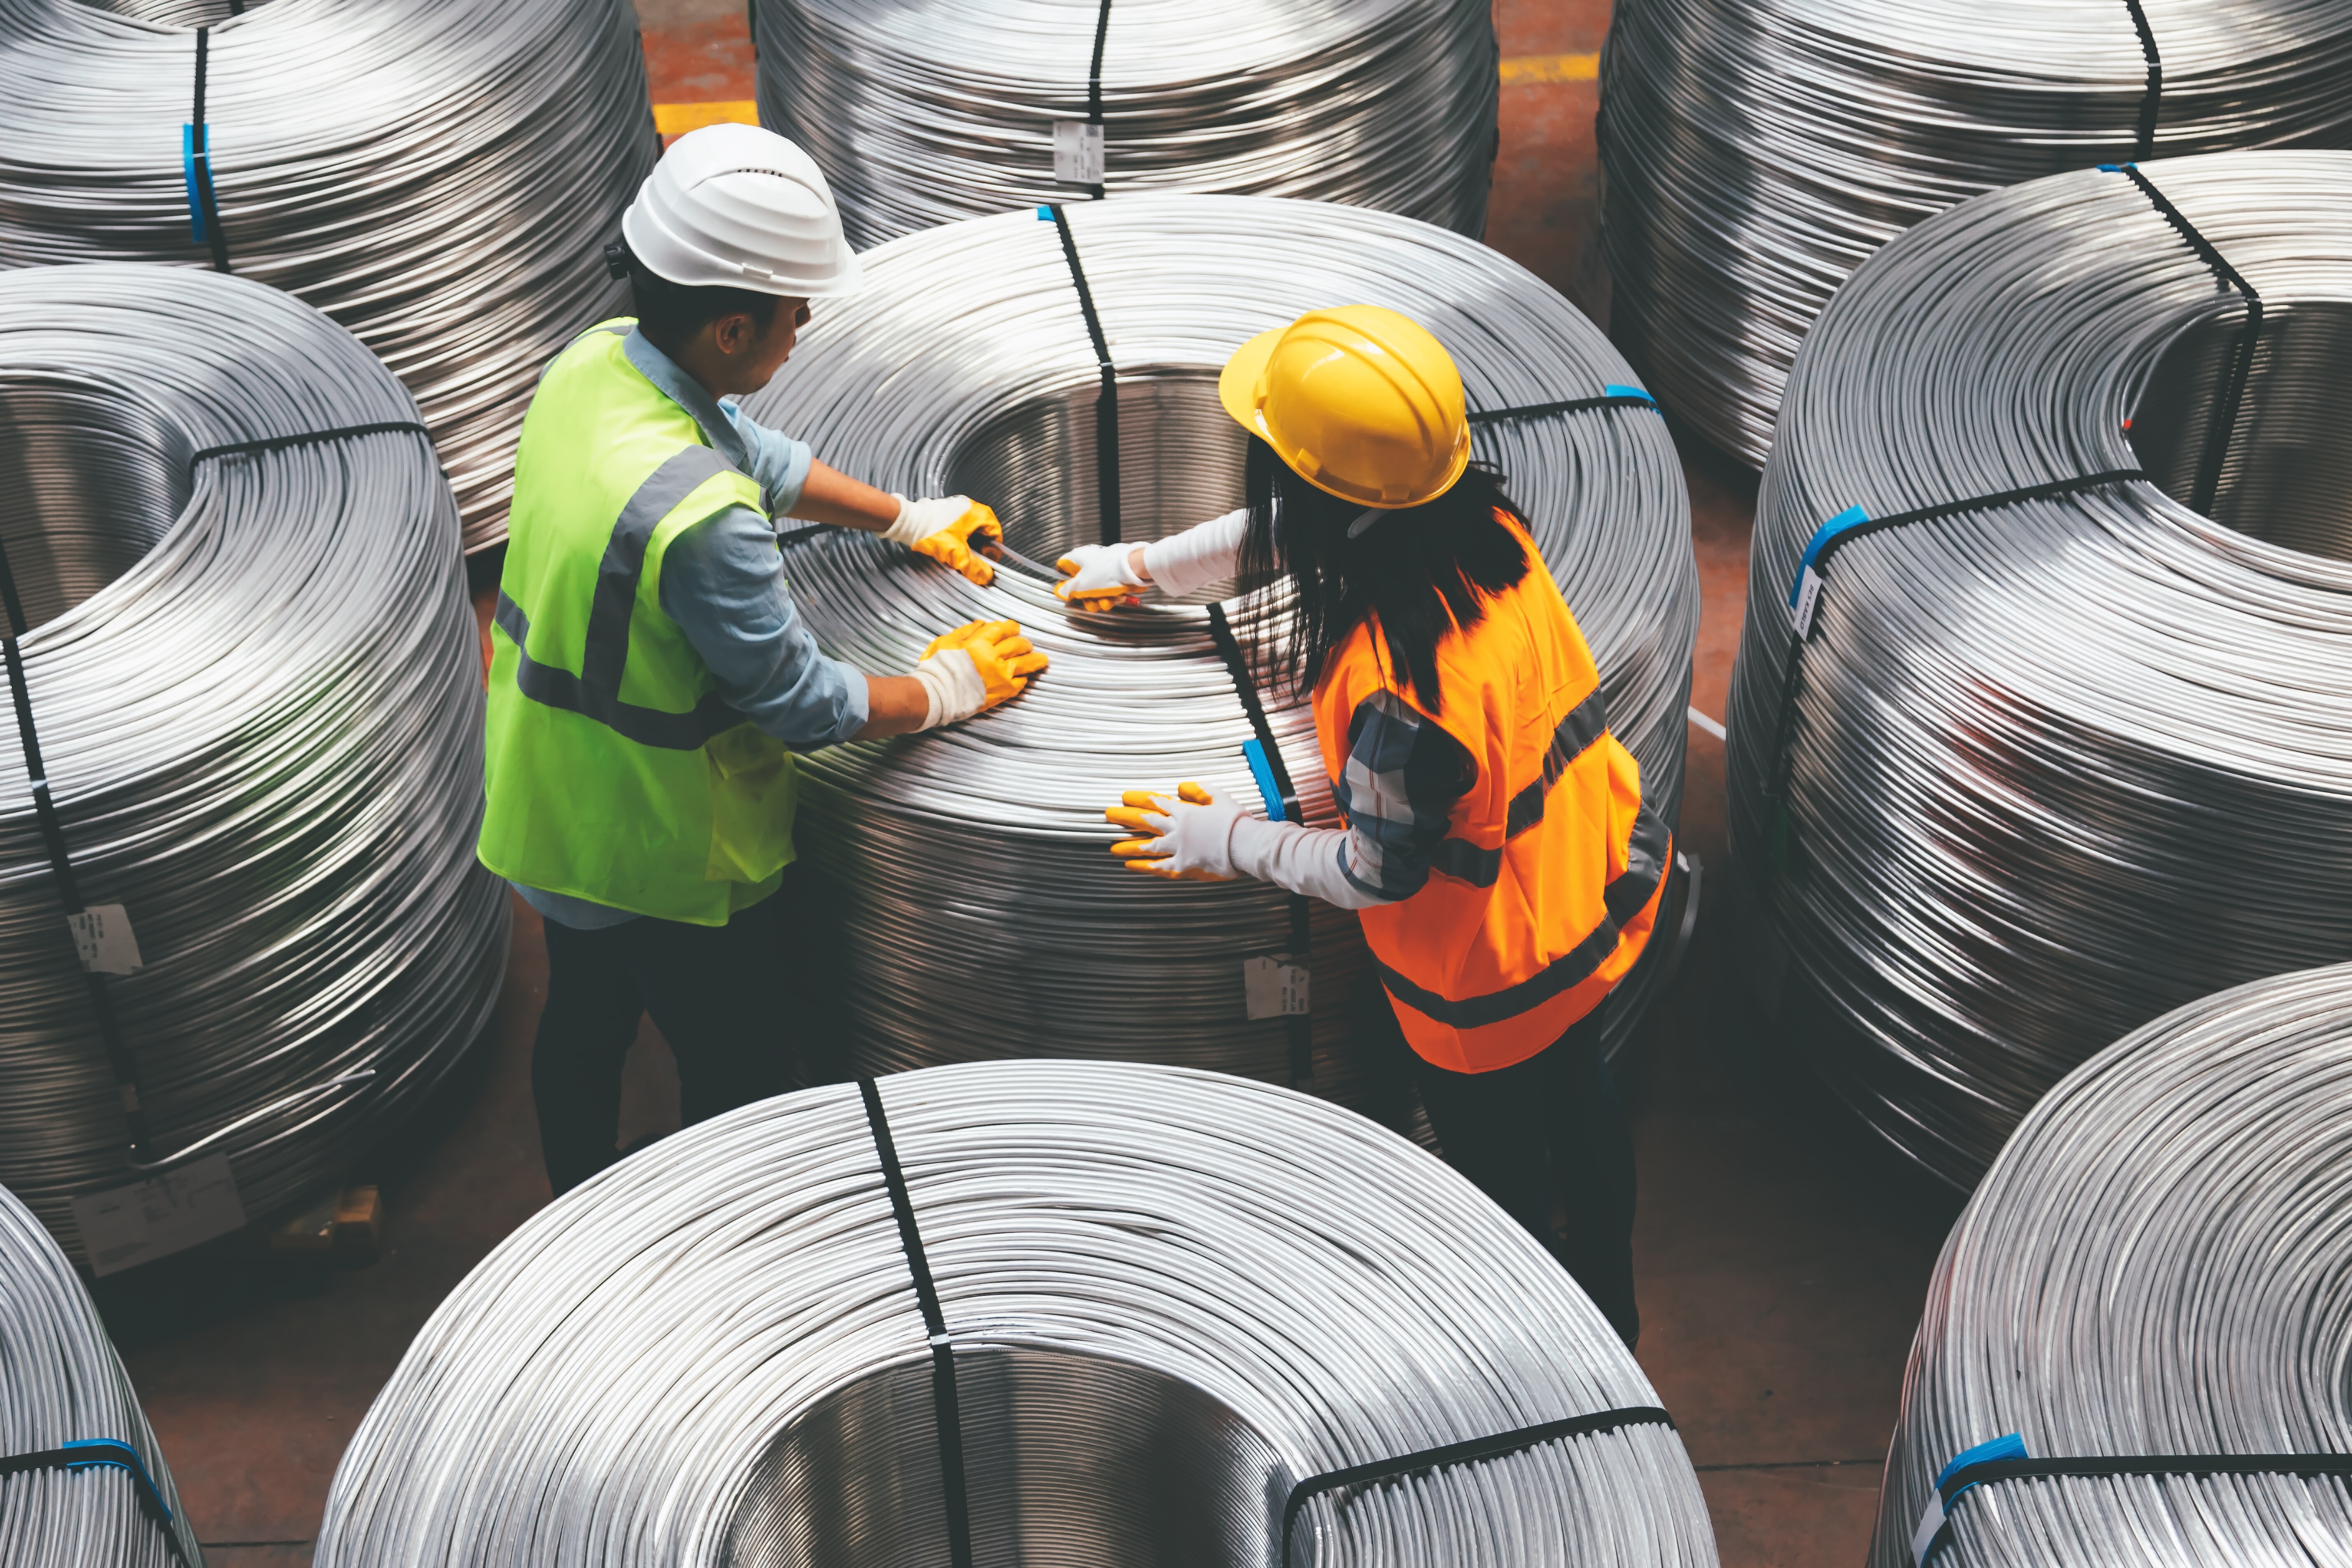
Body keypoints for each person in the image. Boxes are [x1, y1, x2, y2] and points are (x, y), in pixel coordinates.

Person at [1062, 305, 1667, 1346]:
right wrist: (1144, 569)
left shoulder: (1400, 688)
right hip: (1591, 888)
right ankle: (1614, 1301)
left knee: (1505, 1180)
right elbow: (1298, 529)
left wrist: (1232, 841)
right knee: (1582, 1100)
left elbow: (1376, 870)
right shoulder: (1488, 539)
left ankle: (1549, 1344)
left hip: (1487, 981)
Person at [478, 124, 1046, 1197]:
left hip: (547, 799)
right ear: (734, 326)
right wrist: (948, 684)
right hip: (663, 849)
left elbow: (746, 445)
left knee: (586, 1018)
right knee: (734, 1056)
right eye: (794, 312)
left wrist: (902, 516)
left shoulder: (593, 364)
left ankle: (574, 1205)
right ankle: (726, 1236)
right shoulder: (701, 522)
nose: (805, 327)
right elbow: (801, 703)